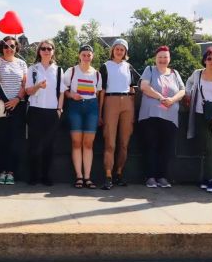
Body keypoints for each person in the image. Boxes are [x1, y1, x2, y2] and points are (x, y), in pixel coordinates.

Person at [138, 46, 186, 188]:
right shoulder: (150, 70)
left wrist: (172, 100)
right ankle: (150, 177)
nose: (163, 60)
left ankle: (162, 177)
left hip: (170, 116)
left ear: (169, 59)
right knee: (151, 146)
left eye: (165, 57)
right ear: (155, 58)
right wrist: (161, 98)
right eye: (160, 57)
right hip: (151, 115)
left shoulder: (175, 73)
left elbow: (183, 90)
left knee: (167, 147)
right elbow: (144, 87)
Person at [185, 47, 212, 193]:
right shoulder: (197, 73)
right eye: (209, 58)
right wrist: (188, 94)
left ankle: (205, 178)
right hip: (200, 115)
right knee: (209, 148)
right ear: (204, 60)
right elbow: (189, 83)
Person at [61, 44, 103, 189]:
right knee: (76, 143)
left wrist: (99, 113)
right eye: (83, 54)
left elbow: (98, 94)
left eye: (89, 55)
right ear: (79, 55)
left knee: (88, 144)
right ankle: (79, 176)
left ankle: (88, 177)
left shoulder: (97, 74)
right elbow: (64, 90)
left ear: (92, 56)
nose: (86, 57)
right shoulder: (71, 71)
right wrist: (71, 94)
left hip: (91, 108)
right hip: (75, 107)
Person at [0, 36, 27, 185]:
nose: (9, 48)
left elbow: (25, 85)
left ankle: (11, 172)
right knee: (0, 141)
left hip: (18, 106)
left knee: (15, 142)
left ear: (16, 47)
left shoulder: (22, 63)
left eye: (12, 46)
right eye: (6, 46)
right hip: (1, 106)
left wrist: (16, 99)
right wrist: (3, 100)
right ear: (1, 48)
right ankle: (1, 172)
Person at [98, 38, 135, 190]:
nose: (119, 51)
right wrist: (100, 112)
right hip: (110, 101)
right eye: (117, 48)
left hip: (127, 101)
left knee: (124, 142)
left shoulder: (129, 67)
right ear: (112, 50)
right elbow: (102, 91)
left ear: (125, 51)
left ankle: (119, 173)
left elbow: (132, 89)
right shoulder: (105, 66)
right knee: (110, 142)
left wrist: (133, 111)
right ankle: (108, 176)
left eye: (122, 49)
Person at [24, 40, 62, 186]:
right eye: (43, 48)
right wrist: (38, 86)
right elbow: (28, 91)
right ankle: (34, 176)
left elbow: (62, 92)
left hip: (52, 111)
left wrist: (59, 109)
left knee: (49, 146)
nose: (46, 51)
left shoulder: (58, 70)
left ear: (53, 51)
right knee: (34, 145)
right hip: (35, 110)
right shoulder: (33, 69)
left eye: (49, 48)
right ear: (39, 51)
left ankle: (46, 176)